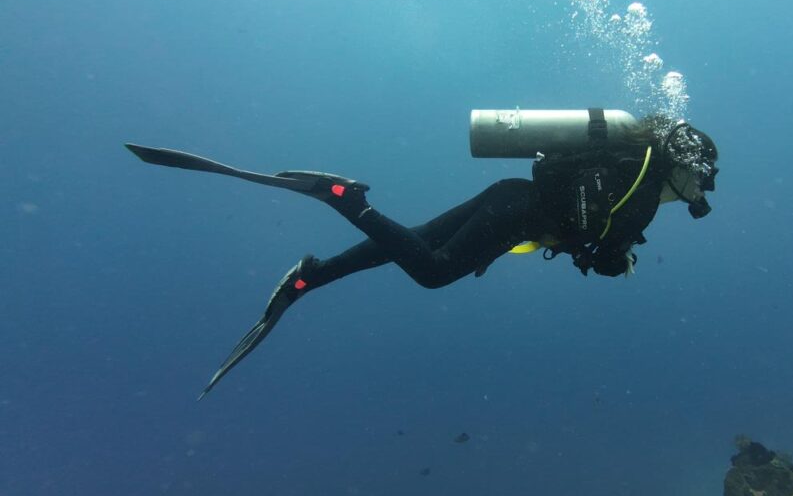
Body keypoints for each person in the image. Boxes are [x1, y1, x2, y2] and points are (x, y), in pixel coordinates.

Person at [125, 112, 718, 398]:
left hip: (512, 199)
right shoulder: (643, 194)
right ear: (686, 165)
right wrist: (617, 260)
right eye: (701, 178)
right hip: (517, 214)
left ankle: (311, 278)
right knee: (432, 271)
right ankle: (342, 199)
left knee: (407, 244)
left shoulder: (629, 169)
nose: (699, 191)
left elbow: (584, 223)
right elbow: (601, 246)